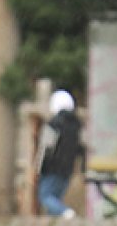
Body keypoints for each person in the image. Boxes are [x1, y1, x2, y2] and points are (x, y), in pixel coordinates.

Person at [36, 90, 84, 219]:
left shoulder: (53, 124)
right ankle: (56, 222)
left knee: (45, 196)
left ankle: (65, 212)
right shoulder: (76, 126)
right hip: (67, 168)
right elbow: (80, 148)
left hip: (51, 168)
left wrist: (39, 167)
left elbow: (45, 147)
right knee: (56, 197)